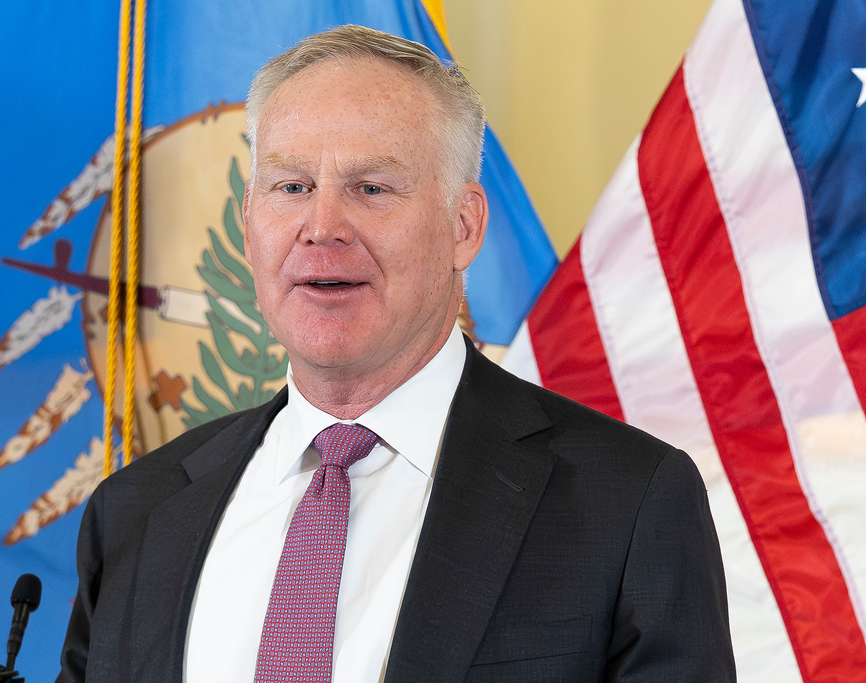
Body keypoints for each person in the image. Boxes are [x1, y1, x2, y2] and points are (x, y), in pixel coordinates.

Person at [57, 25, 736, 682]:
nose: (321, 228)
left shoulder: (627, 505)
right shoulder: (133, 513)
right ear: (249, 220)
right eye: (291, 186)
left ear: (464, 226)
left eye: (372, 188)